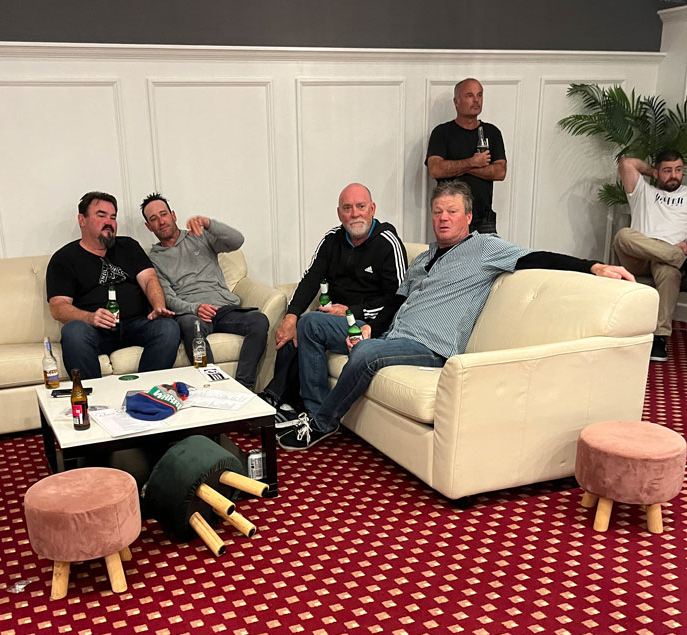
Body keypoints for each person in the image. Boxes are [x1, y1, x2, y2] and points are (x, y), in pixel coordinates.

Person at [278, 180, 634, 452]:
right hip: (390, 336)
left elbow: (536, 257)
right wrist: (370, 326)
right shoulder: (424, 258)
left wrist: (593, 266)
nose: (443, 218)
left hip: (431, 348)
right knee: (311, 324)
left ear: (467, 217)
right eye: (438, 212)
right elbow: (396, 302)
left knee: (365, 353)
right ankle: (312, 409)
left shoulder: (484, 249)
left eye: (451, 212)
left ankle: (323, 422)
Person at [262, 182, 407, 422]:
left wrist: (353, 310)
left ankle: (315, 414)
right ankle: (281, 401)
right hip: (335, 319)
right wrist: (291, 316)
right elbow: (311, 278)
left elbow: (399, 298)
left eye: (361, 206)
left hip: (372, 323)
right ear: (339, 214)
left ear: (372, 209)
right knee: (292, 327)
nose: (354, 214)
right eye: (347, 208)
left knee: (309, 324)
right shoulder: (332, 239)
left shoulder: (387, 243)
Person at [140, 193, 269, 391]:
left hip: (223, 308)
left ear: (173, 215)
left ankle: (243, 387)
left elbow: (237, 240)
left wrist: (209, 224)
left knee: (259, 321)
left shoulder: (199, 236)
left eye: (163, 214)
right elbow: (167, 297)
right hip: (192, 314)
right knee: (192, 328)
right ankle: (215, 388)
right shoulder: (153, 259)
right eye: (153, 219)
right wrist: (195, 308)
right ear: (149, 226)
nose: (161, 221)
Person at [47, 191, 180, 381]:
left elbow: (150, 279)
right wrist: (90, 317)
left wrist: (158, 306)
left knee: (168, 328)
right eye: (101, 215)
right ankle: (94, 395)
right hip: (94, 329)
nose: (109, 222)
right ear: (82, 220)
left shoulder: (129, 246)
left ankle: (145, 391)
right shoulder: (64, 259)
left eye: (113, 217)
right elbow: (58, 306)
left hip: (135, 324)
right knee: (73, 332)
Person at [613, 152, 687, 363]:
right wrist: (651, 171)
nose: (674, 175)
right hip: (640, 256)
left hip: (666, 262)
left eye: (678, 170)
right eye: (667, 171)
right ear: (656, 172)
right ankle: (678, 259)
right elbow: (627, 163)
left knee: (669, 273)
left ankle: (659, 337)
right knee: (623, 236)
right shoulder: (643, 191)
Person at [426, 78, 507, 234]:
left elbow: (500, 172)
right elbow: (435, 169)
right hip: (450, 217)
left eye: (479, 95)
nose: (476, 100)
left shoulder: (492, 132)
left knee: (488, 251)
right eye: (470, 95)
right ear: (456, 101)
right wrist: (473, 162)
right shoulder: (442, 133)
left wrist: (460, 168)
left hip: (484, 219)